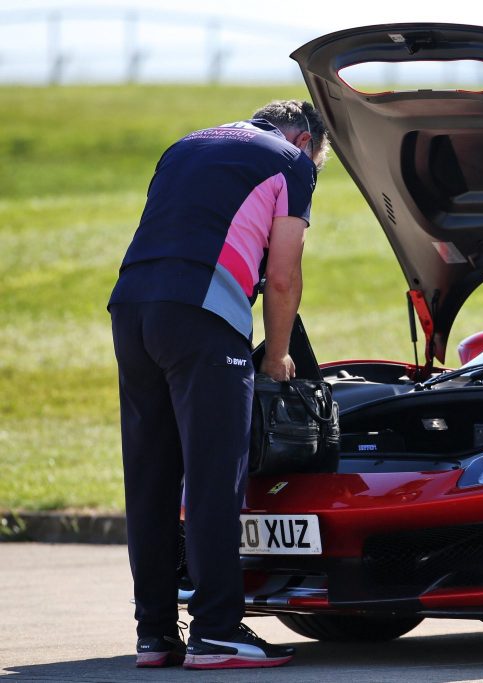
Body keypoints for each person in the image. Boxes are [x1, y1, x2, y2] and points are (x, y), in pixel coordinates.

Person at [108, 100, 328, 669]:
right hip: (202, 317)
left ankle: (154, 635)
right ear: (306, 141)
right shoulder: (291, 162)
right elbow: (282, 274)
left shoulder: (185, 145)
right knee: (212, 477)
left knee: (151, 479)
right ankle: (216, 633)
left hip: (131, 310)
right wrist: (276, 356)